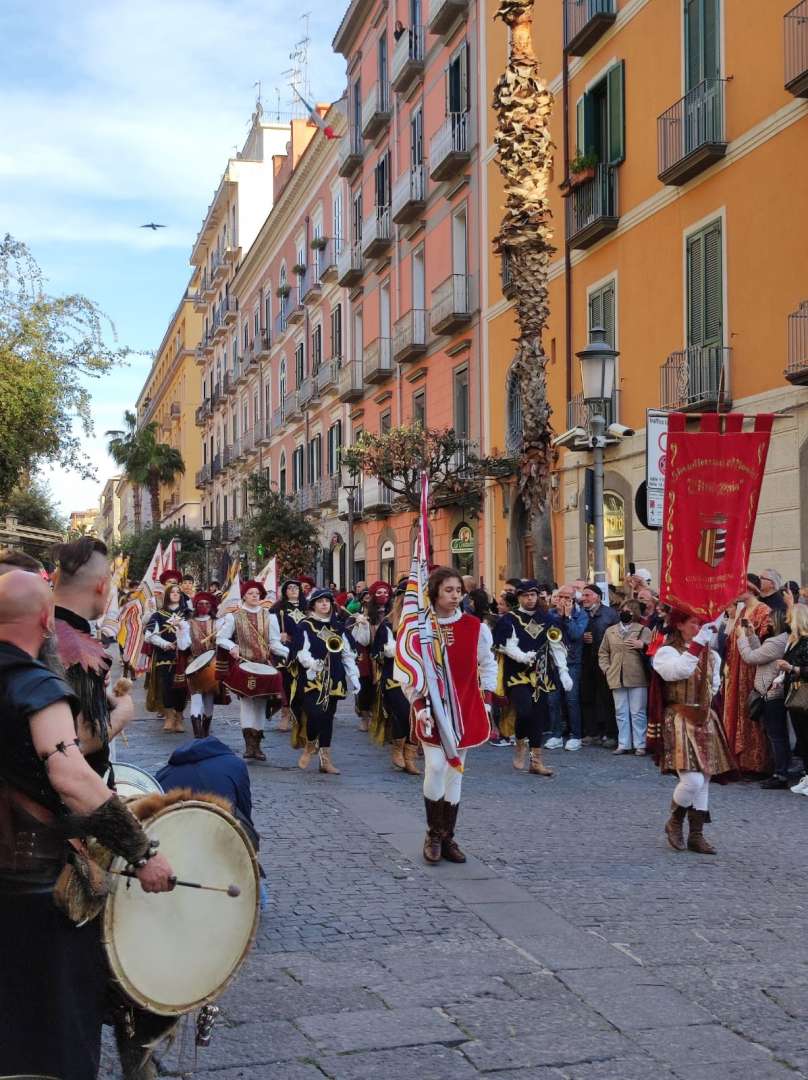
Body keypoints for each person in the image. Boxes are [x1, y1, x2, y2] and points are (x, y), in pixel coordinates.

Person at [0, 570, 175, 1080]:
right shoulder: (35, 684)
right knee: (52, 1038)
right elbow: (71, 774)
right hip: (34, 890)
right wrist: (142, 852)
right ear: (45, 617)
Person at [405, 567, 498, 864]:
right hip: (432, 710)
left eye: (458, 590)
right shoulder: (419, 629)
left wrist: (485, 702)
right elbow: (407, 674)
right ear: (433, 592)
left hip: (466, 707)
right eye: (448, 590)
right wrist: (419, 708)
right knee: (435, 767)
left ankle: (447, 837)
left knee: (455, 773)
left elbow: (488, 665)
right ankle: (433, 832)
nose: (455, 595)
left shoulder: (476, 628)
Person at [651, 611, 735, 855]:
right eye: (695, 623)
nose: (700, 628)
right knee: (692, 779)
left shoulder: (713, 656)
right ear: (679, 624)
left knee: (705, 779)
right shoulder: (666, 652)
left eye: (702, 623)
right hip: (679, 717)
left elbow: (714, 687)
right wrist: (698, 644)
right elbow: (678, 673)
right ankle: (675, 821)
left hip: (705, 719)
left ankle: (696, 835)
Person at [52, 537, 135, 778]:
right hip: (71, 799)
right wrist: (123, 711)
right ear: (102, 586)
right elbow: (78, 743)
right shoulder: (77, 649)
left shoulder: (38, 626)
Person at [493, 579, 571, 776]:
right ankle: (520, 743)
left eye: (533, 595)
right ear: (519, 597)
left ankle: (536, 761)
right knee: (525, 710)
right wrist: (522, 657)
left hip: (541, 674)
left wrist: (563, 672)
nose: (530, 599)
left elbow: (557, 646)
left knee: (538, 715)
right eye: (526, 595)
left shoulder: (548, 619)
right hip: (517, 674)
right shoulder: (509, 619)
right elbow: (507, 645)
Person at [291, 588, 361, 775]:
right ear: (313, 604)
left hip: (334, 678)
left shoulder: (338, 627)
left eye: (327, 601)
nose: (324, 604)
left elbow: (347, 655)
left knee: (328, 717)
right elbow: (300, 651)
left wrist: (354, 677)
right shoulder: (305, 625)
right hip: (313, 678)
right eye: (320, 601)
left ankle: (325, 760)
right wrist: (312, 664)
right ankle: (310, 744)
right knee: (315, 713)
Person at [217, 580, 286, 761]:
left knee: (261, 704)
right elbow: (220, 638)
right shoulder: (235, 616)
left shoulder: (269, 616)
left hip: (263, 664)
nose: (255, 596)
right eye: (250, 593)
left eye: (257, 593)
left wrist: (289, 652)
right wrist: (232, 646)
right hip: (244, 665)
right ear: (244, 596)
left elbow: (274, 642)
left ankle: (258, 745)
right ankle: (249, 746)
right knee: (247, 703)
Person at [156, 736, 258, 849]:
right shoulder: (236, 764)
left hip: (173, 835)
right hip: (220, 830)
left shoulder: (163, 773)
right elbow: (244, 808)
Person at [721, 575, 772, 774]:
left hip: (751, 668)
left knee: (751, 713)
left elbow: (763, 643)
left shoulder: (763, 610)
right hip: (735, 667)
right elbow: (729, 638)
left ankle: (755, 762)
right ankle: (736, 759)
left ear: (750, 589)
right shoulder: (741, 609)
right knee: (734, 711)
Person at [736, 608, 790, 788]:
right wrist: (751, 636)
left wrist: (741, 638)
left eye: (771, 620)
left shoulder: (777, 641)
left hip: (772, 694)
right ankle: (780, 771)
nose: (768, 623)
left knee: (776, 736)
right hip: (770, 693)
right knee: (775, 734)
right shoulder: (778, 640)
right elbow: (761, 654)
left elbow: (751, 657)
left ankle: (780, 774)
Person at [371, 586, 420, 774]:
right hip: (394, 676)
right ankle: (398, 749)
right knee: (403, 711)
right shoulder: (388, 624)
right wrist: (407, 646)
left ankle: (410, 756)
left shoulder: (423, 623)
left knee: (417, 715)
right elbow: (385, 651)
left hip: (417, 677)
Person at [598, 599, 652, 755]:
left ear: (635, 613)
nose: (624, 612)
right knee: (620, 710)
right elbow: (603, 652)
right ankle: (623, 743)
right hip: (616, 675)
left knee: (638, 711)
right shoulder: (611, 631)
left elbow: (652, 651)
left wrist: (643, 646)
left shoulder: (643, 630)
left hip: (637, 674)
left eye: (628, 610)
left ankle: (640, 744)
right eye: (622, 609)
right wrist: (607, 669)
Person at [144, 582, 188, 734]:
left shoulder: (187, 614)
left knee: (182, 689)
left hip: (184, 657)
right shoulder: (158, 615)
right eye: (172, 592)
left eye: (178, 592)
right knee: (166, 687)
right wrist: (165, 644)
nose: (175, 594)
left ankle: (180, 717)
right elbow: (149, 636)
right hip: (165, 656)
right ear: (167, 595)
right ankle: (169, 716)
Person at [548, 584, 588, 751]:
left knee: (572, 700)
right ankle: (556, 734)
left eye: (567, 598)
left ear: (574, 599)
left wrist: (568, 617)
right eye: (560, 597)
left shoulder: (581, 615)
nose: (563, 600)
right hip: (553, 662)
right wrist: (558, 616)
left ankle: (576, 736)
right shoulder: (550, 614)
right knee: (552, 700)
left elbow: (576, 634)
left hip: (572, 662)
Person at [580, 583, 619, 747]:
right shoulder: (581, 613)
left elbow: (616, 637)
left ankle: (611, 734)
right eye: (583, 595)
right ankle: (592, 732)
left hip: (604, 661)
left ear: (597, 596)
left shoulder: (610, 614)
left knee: (607, 698)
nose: (584, 599)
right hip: (586, 661)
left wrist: (595, 640)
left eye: (587, 595)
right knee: (587, 697)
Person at [178, 591, 221, 738]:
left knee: (209, 698)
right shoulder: (188, 623)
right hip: (194, 664)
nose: (204, 606)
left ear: (212, 606)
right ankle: (198, 734)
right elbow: (183, 646)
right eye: (200, 604)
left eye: (207, 604)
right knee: (196, 697)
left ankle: (205, 730)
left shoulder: (218, 623)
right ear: (195, 606)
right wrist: (180, 632)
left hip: (213, 664)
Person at [778, 604, 808, 795]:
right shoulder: (795, 641)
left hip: (803, 695)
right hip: (795, 695)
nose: (786, 621)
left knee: (806, 736)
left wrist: (792, 669)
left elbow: (801, 668)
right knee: (802, 738)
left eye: (789, 617)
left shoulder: (805, 642)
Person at [270, 579, 307, 733]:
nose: (293, 590)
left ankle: (301, 716)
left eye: (296, 587)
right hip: (285, 649)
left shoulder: (309, 607)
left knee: (303, 682)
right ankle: (285, 715)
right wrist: (280, 635)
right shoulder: (278, 608)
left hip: (306, 648)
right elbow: (270, 628)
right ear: (285, 591)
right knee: (286, 682)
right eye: (289, 588)